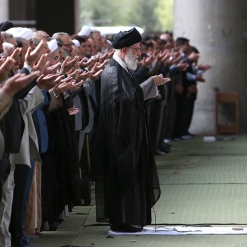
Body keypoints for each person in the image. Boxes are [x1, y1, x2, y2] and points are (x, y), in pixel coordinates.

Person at [95, 28, 167, 232]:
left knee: (130, 177)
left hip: (126, 137)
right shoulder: (112, 71)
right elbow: (124, 102)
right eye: (136, 49)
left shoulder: (122, 69)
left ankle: (130, 219)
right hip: (120, 139)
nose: (139, 54)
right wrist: (149, 84)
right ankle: (122, 221)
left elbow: (131, 97)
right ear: (125, 50)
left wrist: (150, 84)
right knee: (122, 178)